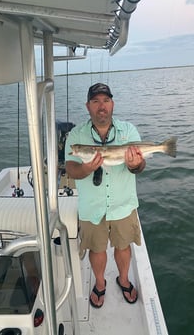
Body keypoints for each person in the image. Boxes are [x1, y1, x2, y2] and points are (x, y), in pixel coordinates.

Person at [65, 83, 146, 308]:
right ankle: (100, 283)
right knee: (97, 249)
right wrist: (86, 169)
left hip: (123, 204)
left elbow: (140, 167)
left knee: (123, 246)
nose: (101, 106)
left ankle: (124, 279)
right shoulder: (76, 135)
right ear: (88, 106)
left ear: (112, 104)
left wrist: (136, 164)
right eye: (95, 101)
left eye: (105, 101)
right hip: (93, 207)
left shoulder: (128, 131)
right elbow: (71, 168)